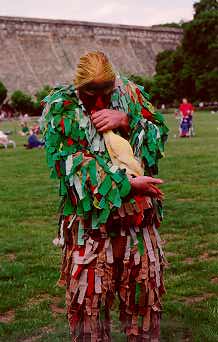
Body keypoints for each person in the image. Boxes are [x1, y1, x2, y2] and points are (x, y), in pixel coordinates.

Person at [41, 51, 168, 341]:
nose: (99, 103)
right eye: (90, 94)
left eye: (106, 93)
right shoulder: (62, 109)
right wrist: (126, 184)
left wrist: (127, 119)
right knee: (88, 312)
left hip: (139, 227)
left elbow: (157, 135)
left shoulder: (131, 95)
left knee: (144, 307)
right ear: (77, 87)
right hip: (91, 232)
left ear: (114, 84)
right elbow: (70, 166)